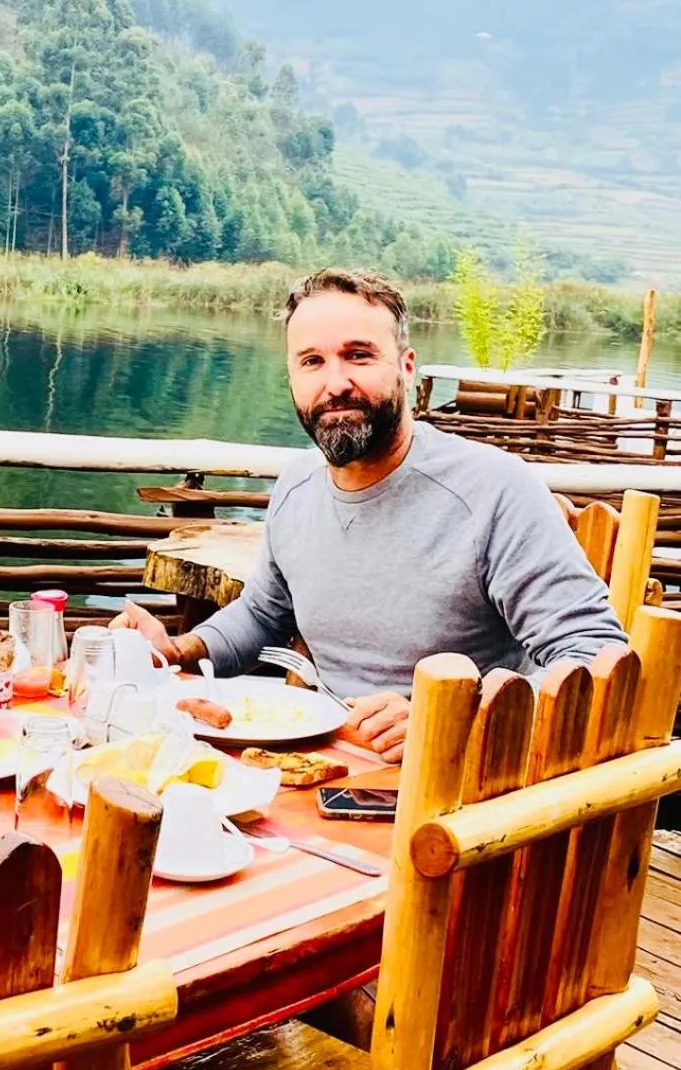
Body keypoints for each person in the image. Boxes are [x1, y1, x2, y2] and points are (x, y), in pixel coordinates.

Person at [114, 268, 625, 762]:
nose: (335, 382)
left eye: (358, 355)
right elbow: (264, 615)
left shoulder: (494, 490)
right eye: (311, 361)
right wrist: (175, 649)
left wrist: (454, 714)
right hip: (328, 770)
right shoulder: (296, 485)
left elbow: (597, 656)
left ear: (406, 367)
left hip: (463, 791)